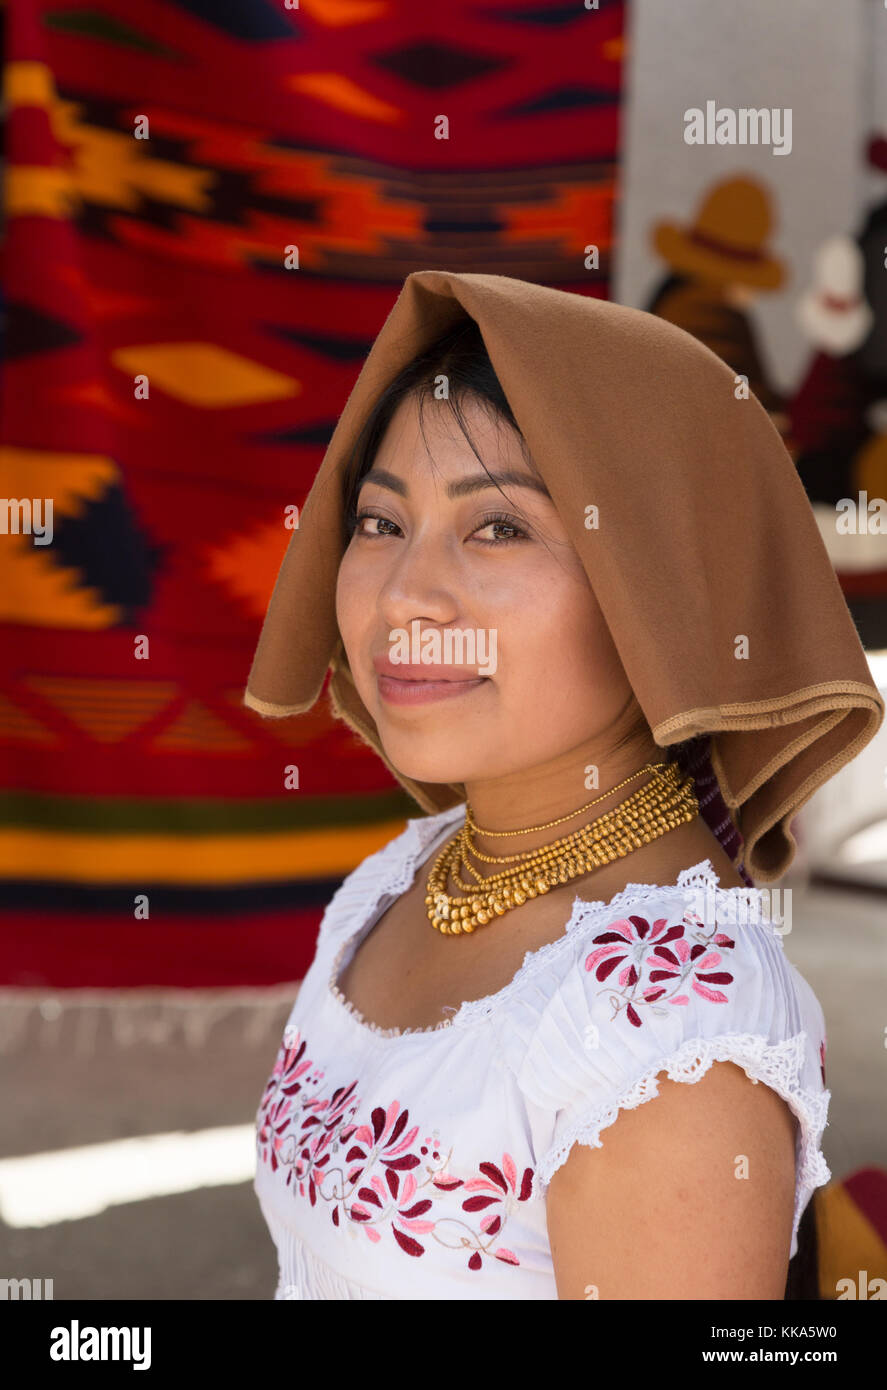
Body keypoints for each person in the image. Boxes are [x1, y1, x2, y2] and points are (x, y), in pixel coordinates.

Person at [244, 270, 884, 1300]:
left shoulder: (666, 1034)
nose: (406, 591)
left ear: (661, 585)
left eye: (496, 527)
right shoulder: (397, 882)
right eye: (377, 521)